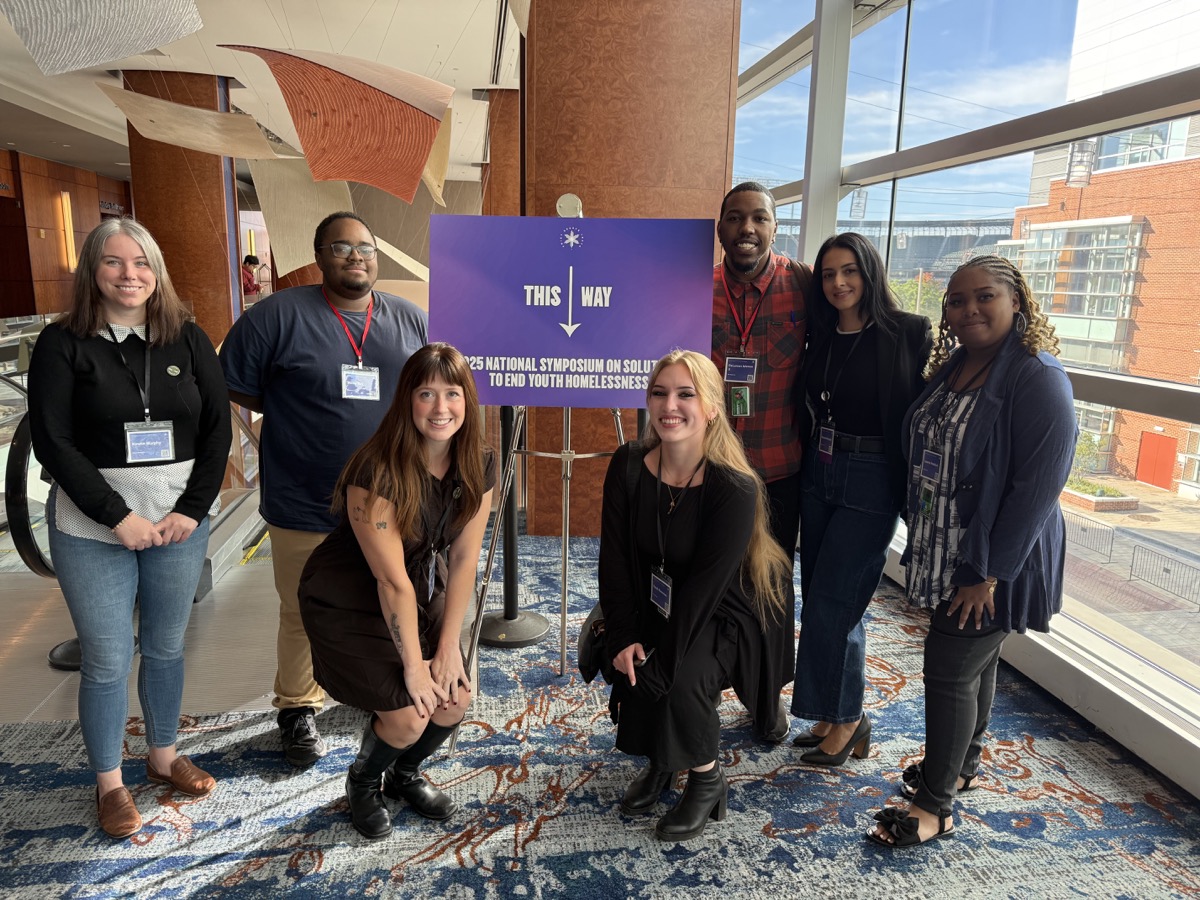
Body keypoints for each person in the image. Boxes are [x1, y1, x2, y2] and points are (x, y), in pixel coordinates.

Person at [27, 218, 232, 838]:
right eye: (114, 263)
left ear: (158, 272)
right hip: (93, 526)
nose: (130, 275)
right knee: (109, 660)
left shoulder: (187, 338)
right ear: (92, 270)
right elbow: (52, 443)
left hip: (177, 520)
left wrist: (192, 510)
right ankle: (110, 783)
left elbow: (218, 429)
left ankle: (164, 755)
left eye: (142, 263)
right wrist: (118, 518)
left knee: (167, 647)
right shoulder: (62, 342)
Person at [867, 255, 1076, 848]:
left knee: (949, 669)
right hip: (948, 548)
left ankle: (935, 807)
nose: (968, 311)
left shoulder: (1037, 378)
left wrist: (985, 575)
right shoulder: (957, 365)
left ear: (1017, 301)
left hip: (994, 561)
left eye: (983, 297)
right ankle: (962, 764)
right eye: (956, 302)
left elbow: (1036, 490)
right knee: (975, 665)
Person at [220, 212, 428, 767]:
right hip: (303, 498)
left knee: (389, 598)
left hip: (390, 499)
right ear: (318, 255)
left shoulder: (411, 321)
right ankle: (296, 707)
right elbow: (236, 389)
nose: (356, 256)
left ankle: (376, 691)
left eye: (366, 247)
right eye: (342, 246)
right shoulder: (275, 317)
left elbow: (432, 402)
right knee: (302, 608)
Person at [297, 343, 494, 839]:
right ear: (406, 400)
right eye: (426, 393)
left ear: (468, 401)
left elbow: (464, 559)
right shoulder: (376, 471)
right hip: (348, 596)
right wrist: (413, 667)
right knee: (409, 715)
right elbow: (390, 582)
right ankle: (362, 781)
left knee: (453, 698)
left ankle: (403, 776)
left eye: (452, 394)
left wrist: (448, 650)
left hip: (421, 584)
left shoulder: (479, 466)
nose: (440, 408)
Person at [598, 350, 793, 842]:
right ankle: (665, 760)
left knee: (677, 674)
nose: (671, 405)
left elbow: (703, 593)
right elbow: (615, 562)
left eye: (687, 394)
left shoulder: (734, 486)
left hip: (725, 608)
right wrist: (623, 636)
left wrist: (659, 671)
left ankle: (707, 779)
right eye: (660, 392)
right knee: (631, 653)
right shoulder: (627, 466)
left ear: (711, 407)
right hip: (656, 594)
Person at [789, 234, 932, 764]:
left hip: (873, 476)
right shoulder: (821, 335)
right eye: (828, 274)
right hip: (819, 471)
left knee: (838, 600)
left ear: (870, 272)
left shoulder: (908, 333)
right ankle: (833, 710)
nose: (839, 283)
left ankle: (848, 720)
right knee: (819, 595)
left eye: (849, 271)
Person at [711, 181, 811, 741]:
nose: (747, 228)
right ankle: (705, 684)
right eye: (734, 217)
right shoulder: (697, 291)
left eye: (759, 218)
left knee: (772, 584)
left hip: (779, 469)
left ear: (774, 226)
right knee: (714, 579)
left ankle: (766, 695)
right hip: (714, 470)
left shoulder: (803, 286)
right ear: (721, 227)